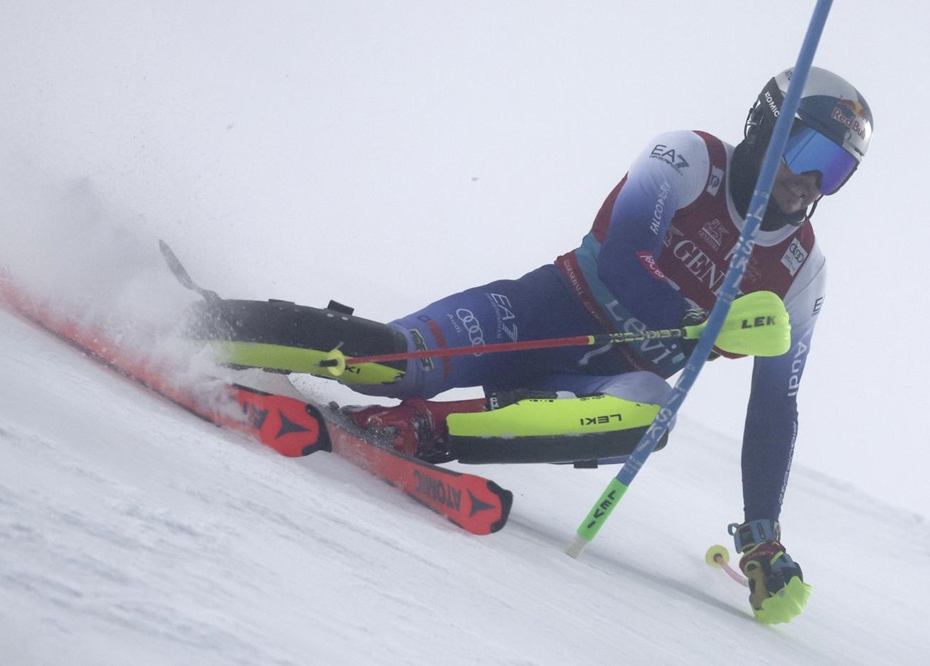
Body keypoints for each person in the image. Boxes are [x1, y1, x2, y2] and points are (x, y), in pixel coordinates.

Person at [339, 66, 872, 623]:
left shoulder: (800, 271)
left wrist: (762, 537)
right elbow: (624, 260)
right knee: (387, 362)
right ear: (767, 125)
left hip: (592, 387)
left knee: (650, 412)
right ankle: (273, 338)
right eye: (807, 148)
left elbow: (773, 406)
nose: (811, 179)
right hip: (535, 319)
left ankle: (423, 429)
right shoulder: (688, 157)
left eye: (835, 170)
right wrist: (707, 322)